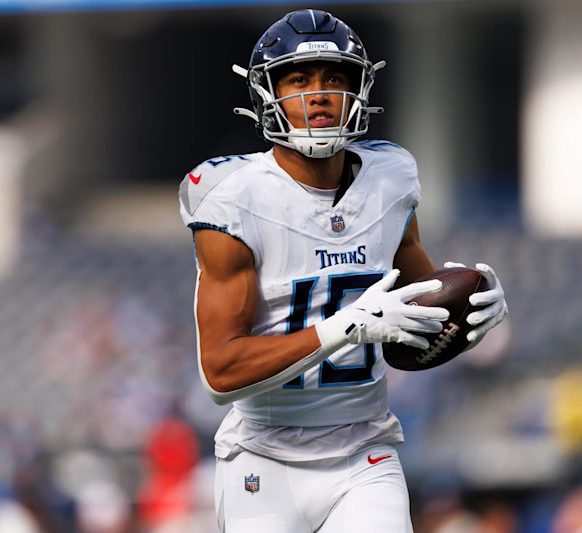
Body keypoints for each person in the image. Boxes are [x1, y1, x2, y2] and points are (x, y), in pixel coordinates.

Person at [178, 10, 508, 532]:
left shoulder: (390, 176)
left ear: (359, 90)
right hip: (264, 458)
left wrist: (472, 318)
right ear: (268, 93)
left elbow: (416, 325)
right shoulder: (231, 197)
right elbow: (221, 373)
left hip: (364, 452)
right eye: (298, 78)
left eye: (335, 78)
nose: (319, 93)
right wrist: (345, 328)